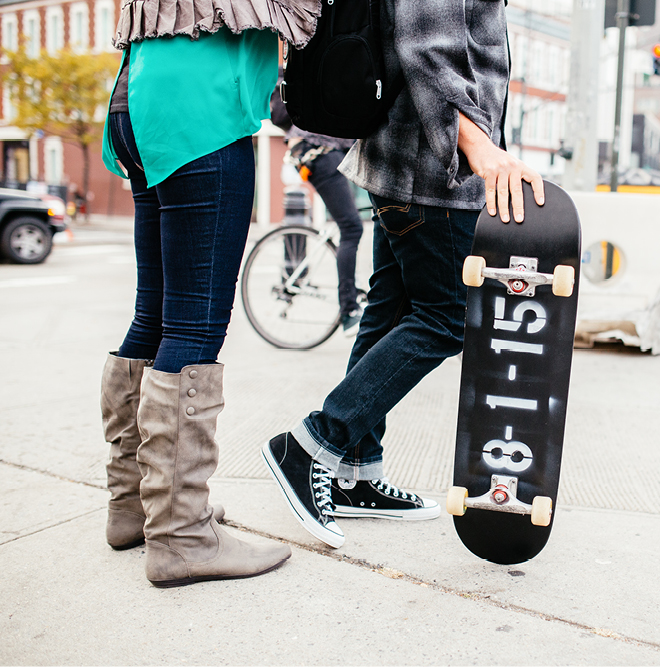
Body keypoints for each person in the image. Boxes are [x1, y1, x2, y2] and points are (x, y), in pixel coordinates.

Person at [262, 0, 545, 548]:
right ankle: (316, 443)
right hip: (432, 174)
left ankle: (355, 475)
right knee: (447, 318)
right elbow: (429, 52)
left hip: (404, 164)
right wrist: (482, 150)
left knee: (389, 313)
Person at [98, 0, 322, 586]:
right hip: (202, 105)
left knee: (154, 316)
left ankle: (136, 507)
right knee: (193, 327)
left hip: (137, 95)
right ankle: (181, 536)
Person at [283, 123, 365, 332]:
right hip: (320, 150)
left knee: (352, 221)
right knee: (351, 228)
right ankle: (349, 310)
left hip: (320, 150)